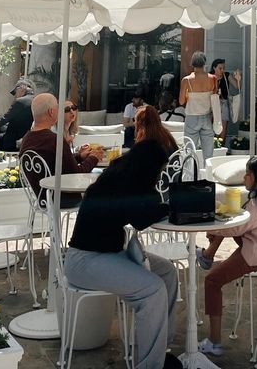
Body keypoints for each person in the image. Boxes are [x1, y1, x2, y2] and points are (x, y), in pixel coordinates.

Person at [65, 140, 179, 369]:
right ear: (148, 167)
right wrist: (168, 205)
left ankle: (159, 349)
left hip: (108, 255)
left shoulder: (121, 177)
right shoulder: (121, 185)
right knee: (153, 289)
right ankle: (150, 365)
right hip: (86, 261)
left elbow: (145, 211)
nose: (159, 176)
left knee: (167, 272)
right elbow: (142, 219)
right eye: (158, 170)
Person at [196, 156, 257, 357]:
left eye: (248, 175)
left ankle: (215, 342)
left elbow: (234, 228)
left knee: (212, 281)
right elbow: (240, 226)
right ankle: (207, 255)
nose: (245, 178)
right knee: (225, 224)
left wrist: (214, 227)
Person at [19, 93, 99, 208]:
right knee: (101, 185)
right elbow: (75, 174)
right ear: (51, 112)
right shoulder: (55, 140)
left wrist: (79, 157)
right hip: (61, 198)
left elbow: (55, 162)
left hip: (41, 198)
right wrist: (93, 158)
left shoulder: (27, 139)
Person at [179, 51, 217, 162]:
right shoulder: (212, 78)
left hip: (192, 117)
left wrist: (188, 96)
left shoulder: (187, 80)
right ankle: (208, 176)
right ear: (204, 62)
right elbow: (214, 98)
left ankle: (189, 177)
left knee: (189, 153)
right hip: (207, 117)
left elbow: (181, 101)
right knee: (208, 154)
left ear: (192, 63)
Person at [210, 58, 241, 143]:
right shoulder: (210, 76)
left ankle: (221, 144)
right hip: (212, 104)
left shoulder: (226, 75)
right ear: (214, 68)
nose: (222, 70)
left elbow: (237, 87)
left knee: (223, 126)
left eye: (223, 68)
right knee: (211, 125)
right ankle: (212, 144)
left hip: (223, 102)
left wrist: (238, 79)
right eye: (220, 68)